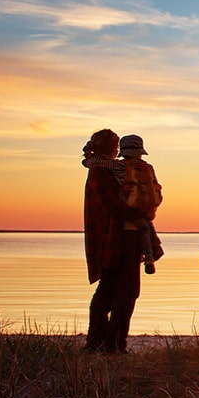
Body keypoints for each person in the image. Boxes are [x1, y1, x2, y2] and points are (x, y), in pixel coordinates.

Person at [81, 128, 148, 354]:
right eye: (115, 144)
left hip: (118, 238)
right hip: (116, 239)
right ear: (111, 147)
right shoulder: (101, 171)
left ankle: (104, 343)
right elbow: (114, 206)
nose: (118, 149)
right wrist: (139, 211)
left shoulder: (108, 168)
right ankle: (110, 344)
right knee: (123, 293)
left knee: (112, 291)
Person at [110, 134, 164, 274]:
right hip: (144, 211)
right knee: (146, 227)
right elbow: (156, 188)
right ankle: (150, 256)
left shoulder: (116, 166)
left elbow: (93, 164)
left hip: (125, 216)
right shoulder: (148, 168)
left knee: (144, 227)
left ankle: (149, 257)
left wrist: (88, 156)